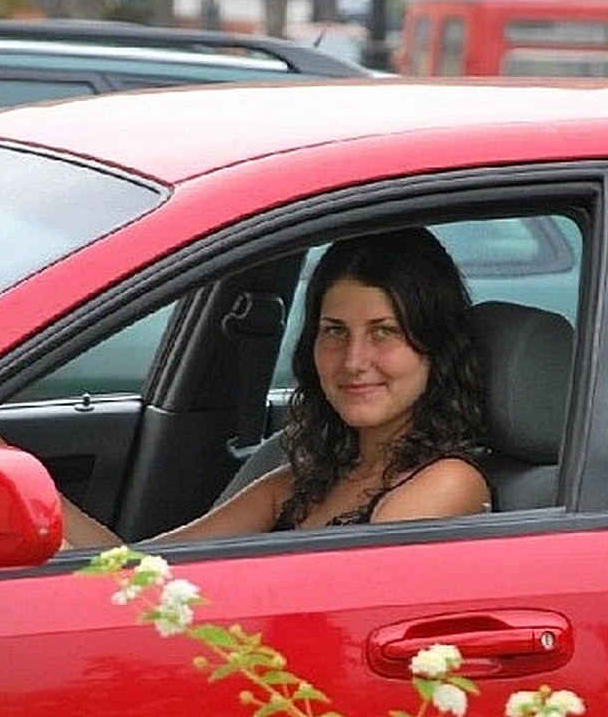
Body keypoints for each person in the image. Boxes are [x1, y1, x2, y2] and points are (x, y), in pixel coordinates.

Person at [61, 227, 490, 548]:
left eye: (384, 332)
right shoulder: (302, 480)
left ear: (434, 346)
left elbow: (334, 614)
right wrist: (34, 495)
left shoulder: (447, 483)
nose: (354, 361)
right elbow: (140, 570)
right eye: (335, 331)